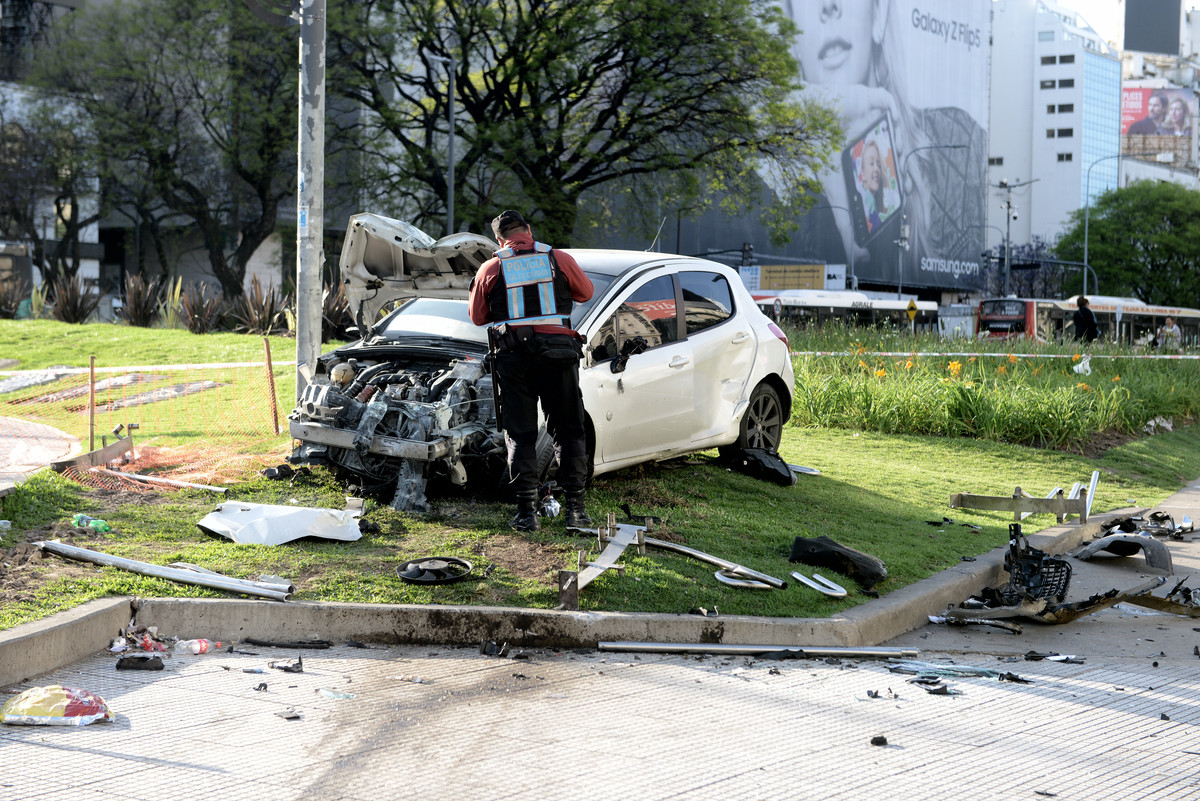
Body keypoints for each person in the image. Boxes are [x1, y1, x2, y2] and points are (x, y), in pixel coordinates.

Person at [468, 210, 594, 533]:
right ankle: (575, 513)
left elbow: (477, 317)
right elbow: (586, 293)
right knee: (569, 430)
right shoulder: (558, 259)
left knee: (521, 433)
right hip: (559, 355)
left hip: (514, 358)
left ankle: (527, 514)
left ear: (499, 239)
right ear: (528, 230)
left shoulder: (492, 267)